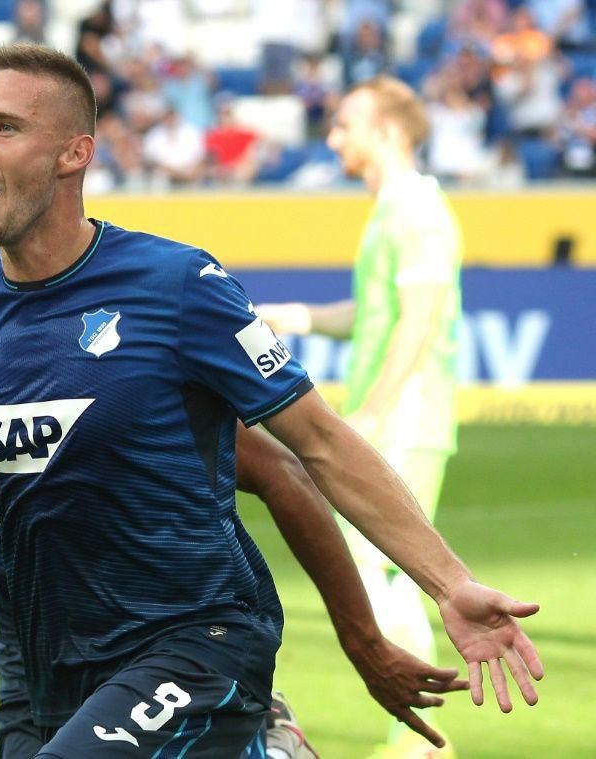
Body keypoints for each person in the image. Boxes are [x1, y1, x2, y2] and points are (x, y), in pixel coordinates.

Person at [0, 45, 543, 759]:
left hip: (199, 637)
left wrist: (448, 583)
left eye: (4, 126)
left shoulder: (176, 285)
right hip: (45, 661)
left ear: (74, 153)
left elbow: (316, 446)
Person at [0, 160, 471, 757]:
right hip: (35, 641)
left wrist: (363, 641)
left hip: (165, 623)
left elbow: (286, 471)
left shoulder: (85, 355)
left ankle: (261, 736)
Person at [257, 75, 466, 759]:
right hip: (397, 415)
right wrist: (296, 316)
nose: (333, 138)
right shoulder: (395, 210)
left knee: (376, 566)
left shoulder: (416, 211)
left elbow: (420, 317)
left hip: (404, 417)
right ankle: (419, 739)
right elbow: (375, 314)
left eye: (346, 124)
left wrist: (373, 412)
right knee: (383, 569)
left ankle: (423, 740)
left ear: (389, 131)